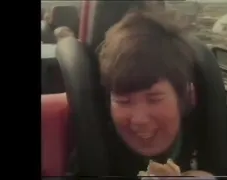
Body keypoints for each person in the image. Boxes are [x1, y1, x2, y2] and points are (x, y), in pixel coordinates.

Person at [68, 10, 217, 178]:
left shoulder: (205, 132)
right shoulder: (94, 145)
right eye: (123, 101)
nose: (139, 119)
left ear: (187, 98)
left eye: (154, 99)